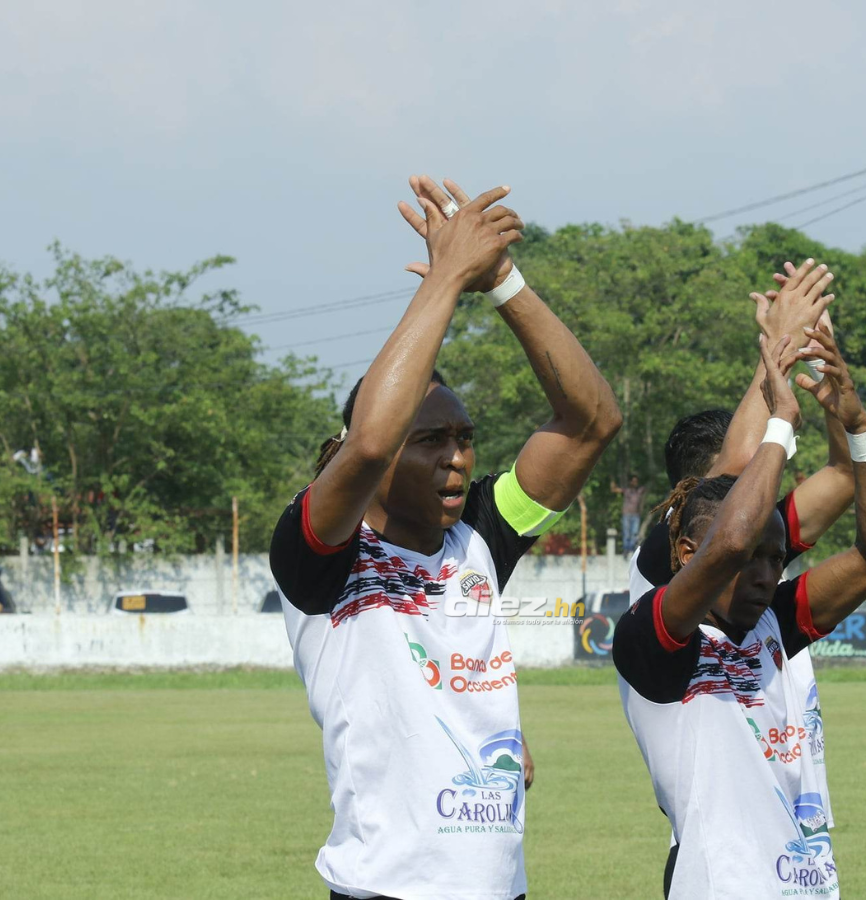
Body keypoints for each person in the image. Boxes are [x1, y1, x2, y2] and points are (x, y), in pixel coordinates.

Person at [270, 176, 620, 900]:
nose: (458, 456)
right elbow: (369, 443)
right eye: (430, 439)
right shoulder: (322, 557)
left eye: (464, 438)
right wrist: (445, 281)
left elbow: (592, 424)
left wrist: (501, 282)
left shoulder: (480, 538)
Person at [614, 326, 866, 899]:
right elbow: (731, 538)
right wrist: (780, 417)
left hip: (805, 877)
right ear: (684, 549)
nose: (769, 571)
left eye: (777, 558)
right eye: (756, 555)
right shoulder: (653, 627)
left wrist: (857, 425)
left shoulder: (769, 616)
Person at [629, 261, 852, 896]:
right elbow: (736, 463)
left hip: (794, 841)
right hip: (717, 857)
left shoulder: (759, 544)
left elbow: (842, 479)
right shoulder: (661, 560)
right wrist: (777, 350)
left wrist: (831, 381)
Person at [612, 474, 649, 555]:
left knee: (634, 533)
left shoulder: (640, 490)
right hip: (626, 514)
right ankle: (626, 549)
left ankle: (632, 549)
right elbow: (615, 490)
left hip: (636, 515)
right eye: (633, 481)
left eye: (636, 481)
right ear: (630, 482)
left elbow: (648, 485)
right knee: (626, 533)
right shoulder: (626, 490)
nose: (635, 483)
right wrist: (612, 479)